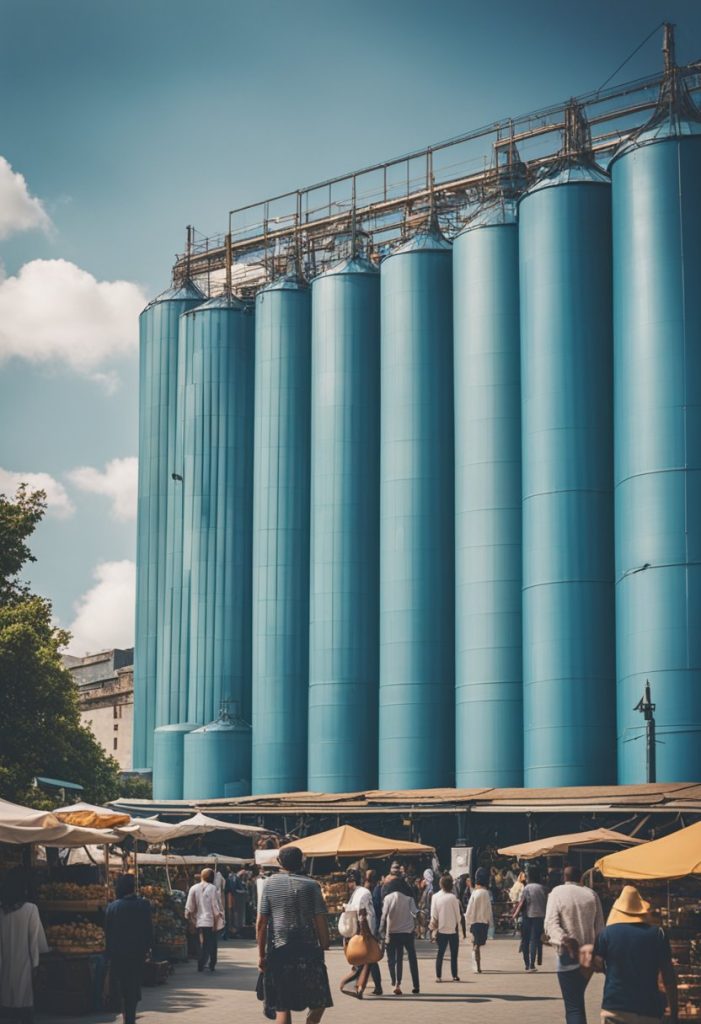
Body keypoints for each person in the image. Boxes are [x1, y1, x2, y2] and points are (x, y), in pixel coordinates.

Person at [257, 845, 332, 1024]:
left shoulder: (270, 883)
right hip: (308, 950)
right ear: (302, 862)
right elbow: (320, 918)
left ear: (279, 862)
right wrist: (324, 943)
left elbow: (261, 923)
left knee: (283, 1004)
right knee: (318, 1000)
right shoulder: (312, 885)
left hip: (280, 950)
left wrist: (261, 955)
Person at [593, 885, 678, 1024]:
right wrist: (674, 1012)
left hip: (615, 1007)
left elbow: (597, 965)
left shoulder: (606, 934)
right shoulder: (658, 934)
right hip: (649, 1009)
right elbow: (668, 976)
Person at [544, 864, 605, 1024]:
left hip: (568, 954)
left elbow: (551, 923)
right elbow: (600, 928)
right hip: (588, 954)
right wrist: (599, 954)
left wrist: (564, 938)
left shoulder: (557, 892)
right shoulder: (591, 894)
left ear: (565, 878)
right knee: (577, 1001)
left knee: (573, 1006)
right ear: (581, 879)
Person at [0, 869, 48, 1024]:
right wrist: (35, 963)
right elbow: (34, 939)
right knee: (24, 1002)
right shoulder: (30, 909)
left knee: (6, 1001)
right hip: (24, 964)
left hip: (4, 963)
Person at [105, 874, 153, 1024]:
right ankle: (130, 1016)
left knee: (123, 986)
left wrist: (109, 953)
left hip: (118, 955)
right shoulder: (144, 905)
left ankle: (128, 1015)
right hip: (137, 953)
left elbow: (108, 932)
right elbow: (149, 930)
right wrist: (148, 949)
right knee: (133, 985)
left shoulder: (112, 907)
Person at [339, 869, 382, 998]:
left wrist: (368, 933)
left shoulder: (362, 893)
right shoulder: (358, 893)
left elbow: (364, 915)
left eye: (349, 881)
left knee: (364, 961)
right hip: (363, 931)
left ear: (353, 881)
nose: (348, 884)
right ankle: (373, 988)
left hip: (364, 931)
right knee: (370, 959)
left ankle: (351, 986)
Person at [380, 874, 420, 996]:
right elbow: (415, 912)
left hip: (392, 933)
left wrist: (380, 930)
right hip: (408, 933)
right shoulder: (409, 898)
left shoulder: (388, 898)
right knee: (412, 959)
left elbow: (384, 916)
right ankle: (416, 985)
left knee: (393, 960)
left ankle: (396, 982)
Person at [186, 866, 225, 973]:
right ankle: (211, 964)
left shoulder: (193, 888)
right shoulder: (213, 889)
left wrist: (190, 921)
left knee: (201, 943)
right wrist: (216, 923)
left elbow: (189, 907)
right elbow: (215, 907)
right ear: (212, 878)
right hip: (210, 921)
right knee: (212, 943)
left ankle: (201, 963)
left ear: (201, 877)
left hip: (198, 921)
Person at [430, 874, 465, 982]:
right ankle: (454, 975)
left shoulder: (435, 897)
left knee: (440, 954)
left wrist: (433, 930)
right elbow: (458, 916)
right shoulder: (453, 898)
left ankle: (438, 976)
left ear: (441, 885)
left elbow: (433, 915)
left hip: (440, 930)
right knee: (454, 955)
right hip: (452, 930)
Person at [513, 866, 547, 971]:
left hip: (527, 916)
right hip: (540, 917)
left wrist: (515, 914)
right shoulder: (543, 888)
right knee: (534, 940)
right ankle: (532, 964)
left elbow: (522, 902)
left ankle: (527, 965)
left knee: (526, 940)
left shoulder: (527, 888)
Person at [465, 867, 494, 974]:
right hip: (483, 923)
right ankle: (477, 965)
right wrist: (490, 922)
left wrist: (467, 921)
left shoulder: (475, 893)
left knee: (475, 944)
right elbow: (489, 909)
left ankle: (476, 966)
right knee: (478, 944)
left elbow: (469, 909)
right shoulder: (486, 893)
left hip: (474, 922)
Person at [226, 868, 249, 937]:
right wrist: (243, 891)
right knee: (236, 915)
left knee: (237, 915)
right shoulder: (234, 878)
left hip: (238, 899)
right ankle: (235, 931)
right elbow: (234, 890)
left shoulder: (236, 878)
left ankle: (236, 931)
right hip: (236, 899)